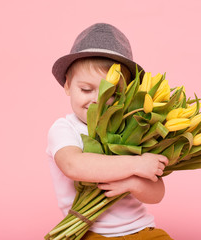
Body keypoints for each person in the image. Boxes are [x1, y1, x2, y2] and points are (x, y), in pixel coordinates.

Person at [46, 23, 173, 239]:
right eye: (86, 89)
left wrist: (132, 182)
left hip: (142, 230)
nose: (98, 99)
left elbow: (157, 193)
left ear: (128, 93)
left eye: (112, 93)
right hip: (90, 232)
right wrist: (136, 165)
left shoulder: (134, 127)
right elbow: (73, 165)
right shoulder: (64, 129)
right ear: (67, 85)